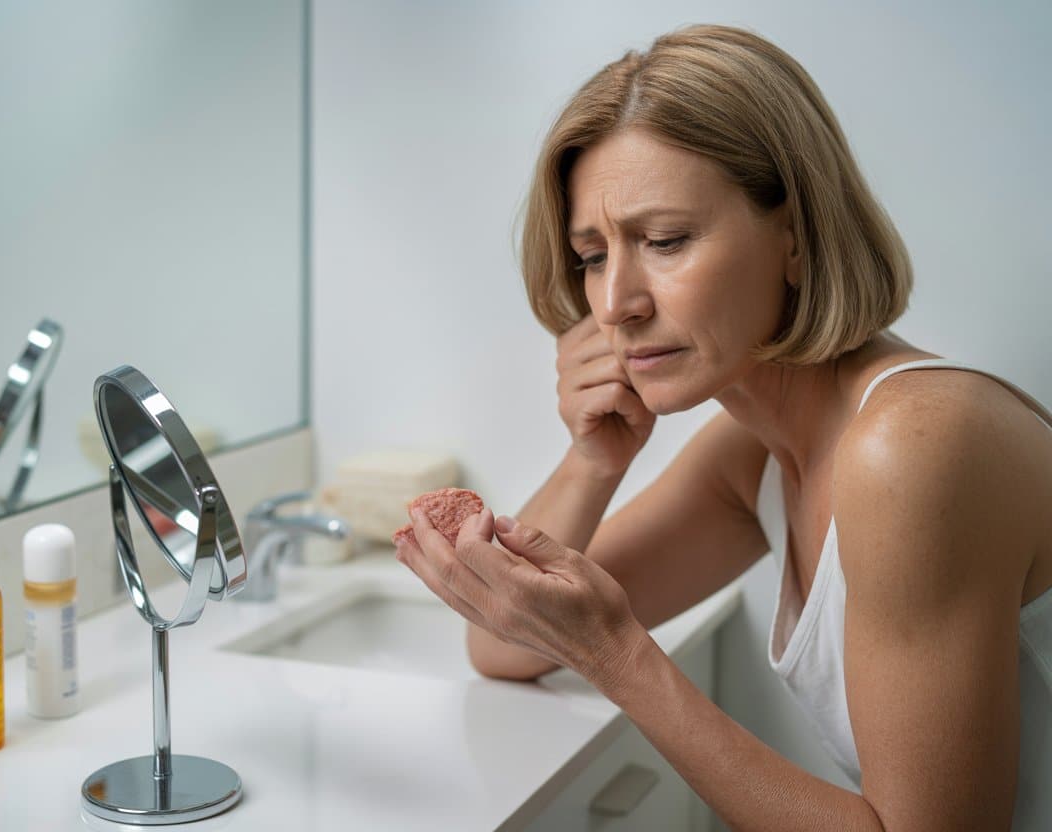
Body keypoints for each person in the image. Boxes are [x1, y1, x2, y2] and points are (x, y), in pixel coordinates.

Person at [392, 24, 1052, 831]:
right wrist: (595, 457)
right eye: (593, 255)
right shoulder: (755, 458)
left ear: (798, 238)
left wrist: (618, 655)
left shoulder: (913, 448)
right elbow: (507, 647)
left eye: (664, 240)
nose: (614, 303)